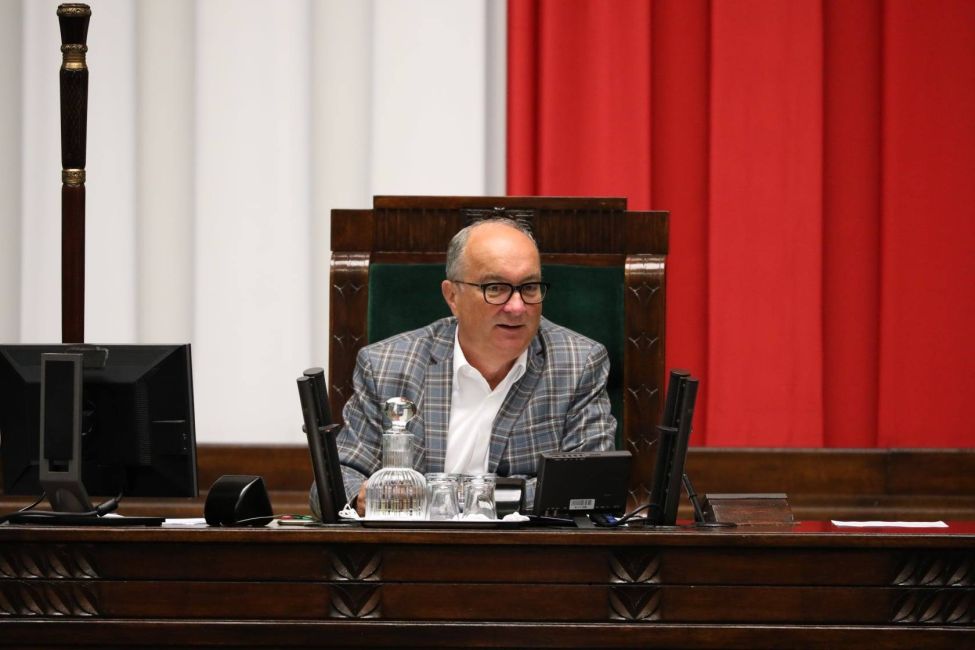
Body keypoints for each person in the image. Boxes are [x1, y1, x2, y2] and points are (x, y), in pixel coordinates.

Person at [312, 217, 616, 518]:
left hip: (526, 547)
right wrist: (360, 497)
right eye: (495, 288)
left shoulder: (577, 363)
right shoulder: (387, 365)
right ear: (452, 296)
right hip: (413, 547)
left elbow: (587, 485)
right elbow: (335, 482)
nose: (517, 307)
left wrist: (437, 497)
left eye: (530, 287)